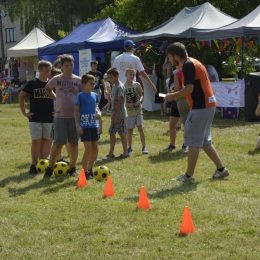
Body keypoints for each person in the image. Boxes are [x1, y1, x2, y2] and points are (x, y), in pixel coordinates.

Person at [165, 42, 229, 181]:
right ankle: (221, 169)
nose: (170, 60)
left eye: (170, 57)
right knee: (205, 141)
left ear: (176, 56)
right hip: (208, 105)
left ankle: (188, 176)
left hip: (201, 106)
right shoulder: (194, 61)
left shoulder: (188, 64)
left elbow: (189, 89)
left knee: (193, 141)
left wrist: (173, 96)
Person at [43, 54, 83, 178]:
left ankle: (72, 168)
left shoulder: (78, 80)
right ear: (62, 66)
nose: (70, 67)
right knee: (58, 143)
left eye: (71, 65)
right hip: (60, 116)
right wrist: (56, 98)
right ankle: (49, 169)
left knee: (73, 143)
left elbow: (82, 95)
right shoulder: (57, 79)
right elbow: (47, 88)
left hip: (74, 117)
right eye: (67, 65)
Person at [18, 60, 53, 174]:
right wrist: (25, 112)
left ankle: (43, 164)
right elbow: (21, 96)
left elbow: (58, 98)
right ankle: (33, 165)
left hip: (49, 117)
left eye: (49, 70)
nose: (48, 73)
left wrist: (57, 111)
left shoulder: (52, 83)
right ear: (39, 70)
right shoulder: (33, 83)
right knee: (36, 140)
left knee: (46, 140)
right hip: (35, 117)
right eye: (45, 71)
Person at [74, 74, 102, 180]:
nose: (93, 85)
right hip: (85, 126)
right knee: (88, 149)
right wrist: (77, 125)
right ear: (84, 85)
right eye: (91, 84)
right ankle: (84, 171)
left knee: (95, 148)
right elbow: (76, 111)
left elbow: (97, 108)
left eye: (94, 83)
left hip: (94, 125)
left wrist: (99, 114)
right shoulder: (80, 96)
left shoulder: (95, 95)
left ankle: (90, 170)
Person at [104, 68, 128, 159]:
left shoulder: (119, 87)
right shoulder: (115, 86)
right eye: (109, 77)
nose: (109, 79)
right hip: (119, 114)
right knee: (121, 133)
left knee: (111, 132)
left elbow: (120, 102)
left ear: (117, 76)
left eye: (111, 77)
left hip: (118, 115)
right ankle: (125, 152)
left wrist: (115, 117)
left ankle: (111, 153)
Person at [124, 68, 148, 155]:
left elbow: (141, 95)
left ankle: (144, 147)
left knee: (140, 127)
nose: (132, 76)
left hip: (138, 110)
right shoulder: (123, 87)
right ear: (125, 75)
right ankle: (129, 148)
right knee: (129, 130)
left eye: (133, 75)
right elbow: (122, 100)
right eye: (130, 74)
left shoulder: (137, 84)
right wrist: (127, 104)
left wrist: (139, 101)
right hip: (129, 112)